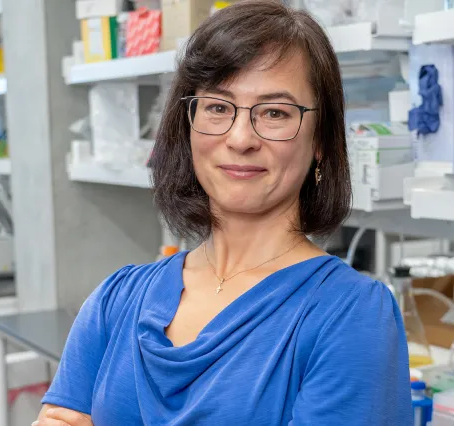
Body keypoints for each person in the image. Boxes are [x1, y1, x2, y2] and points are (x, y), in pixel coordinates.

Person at [35, 1, 411, 425]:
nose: (240, 137)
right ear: (188, 123)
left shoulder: (349, 315)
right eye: (217, 107)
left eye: (274, 113)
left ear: (320, 139)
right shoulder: (117, 299)